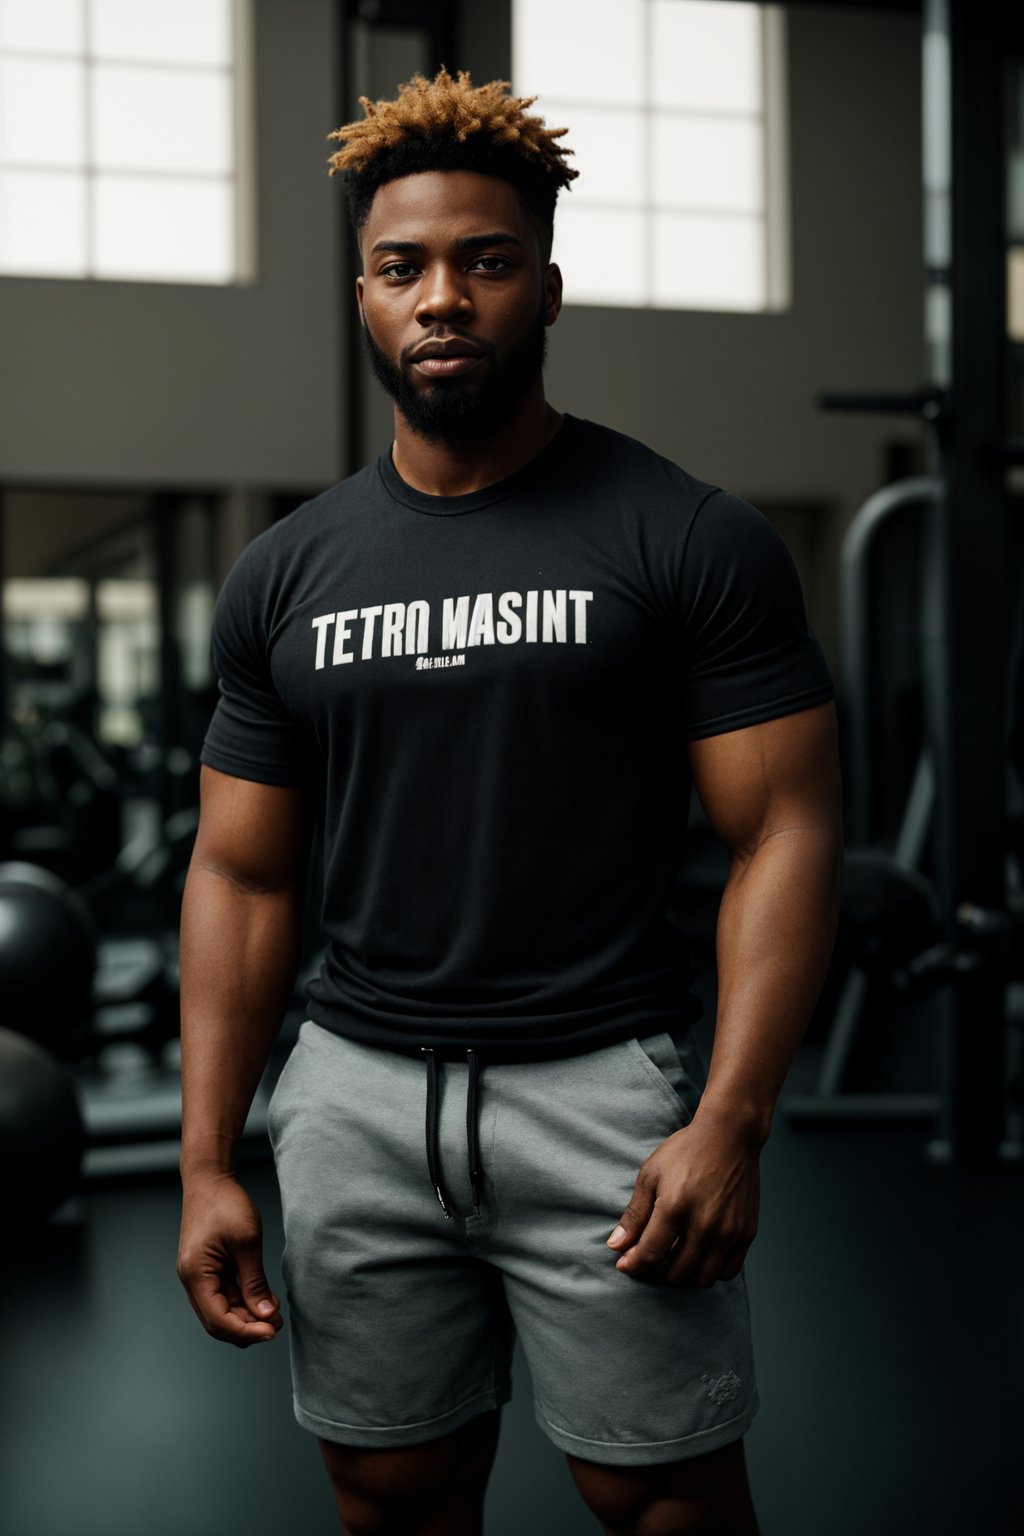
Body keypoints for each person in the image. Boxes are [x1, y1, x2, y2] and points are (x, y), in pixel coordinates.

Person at [176, 68, 843, 1536]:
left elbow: (784, 831)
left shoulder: (685, 536)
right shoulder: (287, 573)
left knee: (660, 1494)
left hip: (601, 1084)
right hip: (351, 1094)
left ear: (546, 285)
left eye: (485, 262)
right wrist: (209, 1156)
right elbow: (241, 877)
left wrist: (732, 1120)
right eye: (403, 267)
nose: (443, 300)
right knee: (391, 1491)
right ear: (361, 293)